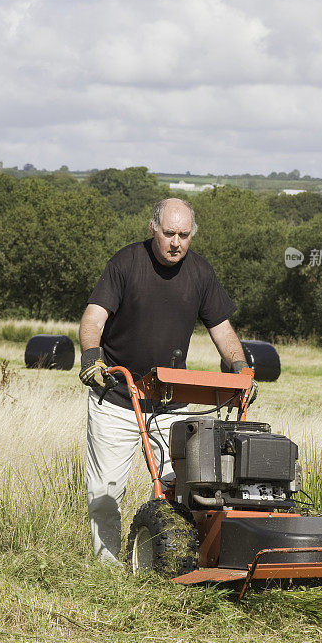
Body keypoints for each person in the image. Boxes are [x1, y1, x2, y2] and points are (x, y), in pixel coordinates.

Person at [79, 198, 250, 564]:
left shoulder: (200, 273)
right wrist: (92, 358)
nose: (176, 242)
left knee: (188, 487)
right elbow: (93, 318)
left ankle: (180, 562)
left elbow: (222, 330)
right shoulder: (126, 263)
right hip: (118, 398)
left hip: (172, 402)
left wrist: (240, 368)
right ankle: (107, 569)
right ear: (153, 229)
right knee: (105, 491)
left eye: (184, 235)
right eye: (169, 233)